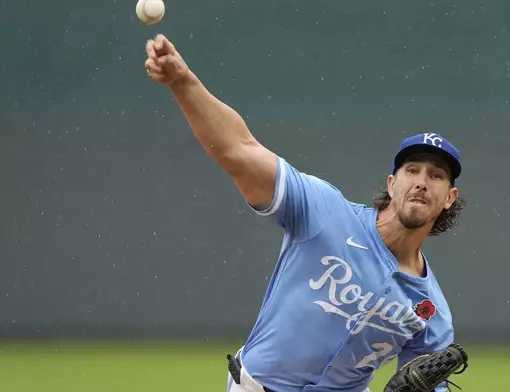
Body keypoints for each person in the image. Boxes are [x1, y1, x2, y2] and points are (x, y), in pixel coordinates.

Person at [144, 34, 466, 392]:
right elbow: (238, 149)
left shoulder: (430, 312)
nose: (422, 182)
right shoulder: (325, 212)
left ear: (449, 197)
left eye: (436, 175)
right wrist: (182, 82)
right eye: (412, 170)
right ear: (392, 183)